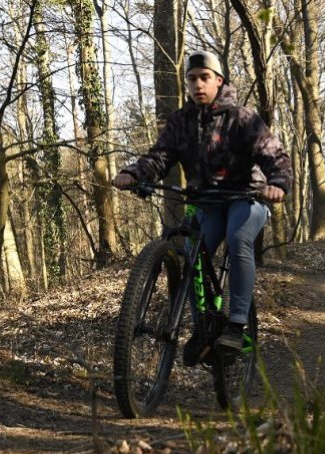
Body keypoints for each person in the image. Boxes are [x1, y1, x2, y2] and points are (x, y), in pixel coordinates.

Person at [114, 50, 293, 365]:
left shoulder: (242, 118)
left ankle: (237, 325)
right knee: (192, 254)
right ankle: (206, 326)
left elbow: (274, 155)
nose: (198, 84)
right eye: (192, 78)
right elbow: (160, 156)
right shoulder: (181, 122)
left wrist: (277, 183)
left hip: (246, 198)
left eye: (204, 77)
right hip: (206, 203)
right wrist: (135, 173)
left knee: (238, 240)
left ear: (219, 80)